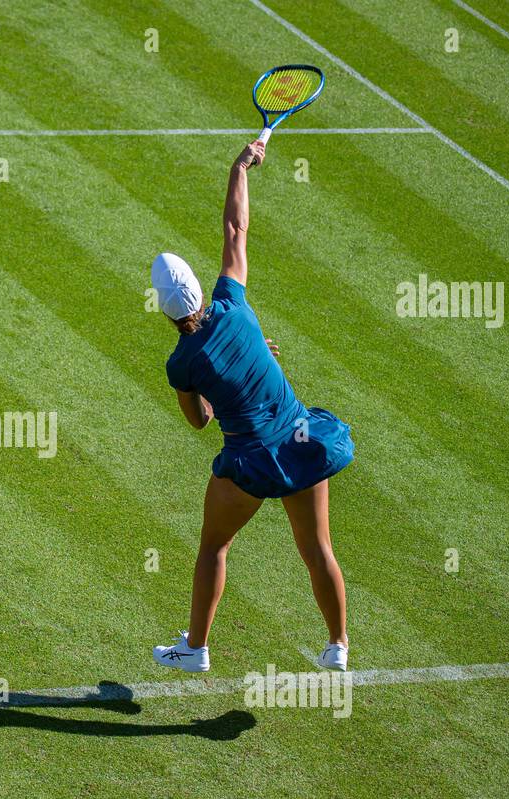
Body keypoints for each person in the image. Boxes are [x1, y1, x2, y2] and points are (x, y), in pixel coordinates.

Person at [150, 139, 354, 673]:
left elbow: (197, 421)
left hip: (250, 463)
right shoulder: (234, 305)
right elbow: (236, 230)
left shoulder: (181, 364)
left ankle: (194, 649)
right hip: (303, 442)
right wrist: (240, 167)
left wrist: (214, 402)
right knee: (317, 550)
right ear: (200, 289)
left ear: (167, 312)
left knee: (213, 547)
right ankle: (338, 646)